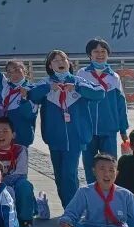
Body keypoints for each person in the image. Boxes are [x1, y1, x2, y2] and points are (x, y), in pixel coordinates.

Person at [29, 49, 105, 207]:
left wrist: (77, 89)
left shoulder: (78, 81)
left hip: (76, 137)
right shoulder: (45, 83)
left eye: (63, 59)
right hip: (54, 137)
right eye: (56, 60)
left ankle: (73, 210)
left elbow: (99, 93)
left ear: (68, 63)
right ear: (50, 65)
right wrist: (48, 88)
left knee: (69, 173)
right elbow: (32, 95)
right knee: (59, 175)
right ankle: (68, 207)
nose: (60, 62)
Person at [77, 38, 130, 184]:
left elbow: (121, 104)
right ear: (90, 55)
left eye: (103, 51)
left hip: (109, 129)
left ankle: (110, 193)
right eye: (96, 51)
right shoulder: (82, 74)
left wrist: (123, 129)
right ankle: (91, 192)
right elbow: (76, 101)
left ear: (108, 54)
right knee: (89, 165)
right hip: (87, 129)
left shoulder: (114, 77)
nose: (100, 54)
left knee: (110, 165)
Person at [0, 116, 36, 227]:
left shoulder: (20, 150)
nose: (1, 134)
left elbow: (21, 173)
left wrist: (6, 182)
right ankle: (2, 219)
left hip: (16, 182)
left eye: (5, 131)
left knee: (25, 186)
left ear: (13, 134)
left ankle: (25, 220)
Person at [0, 43, 37, 148]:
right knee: (1, 157)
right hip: (3, 136)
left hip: (22, 136)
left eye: (17, 70)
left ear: (25, 71)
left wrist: (24, 98)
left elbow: (30, 115)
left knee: (20, 158)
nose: (14, 74)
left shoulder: (32, 89)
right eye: (9, 72)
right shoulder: (5, 86)